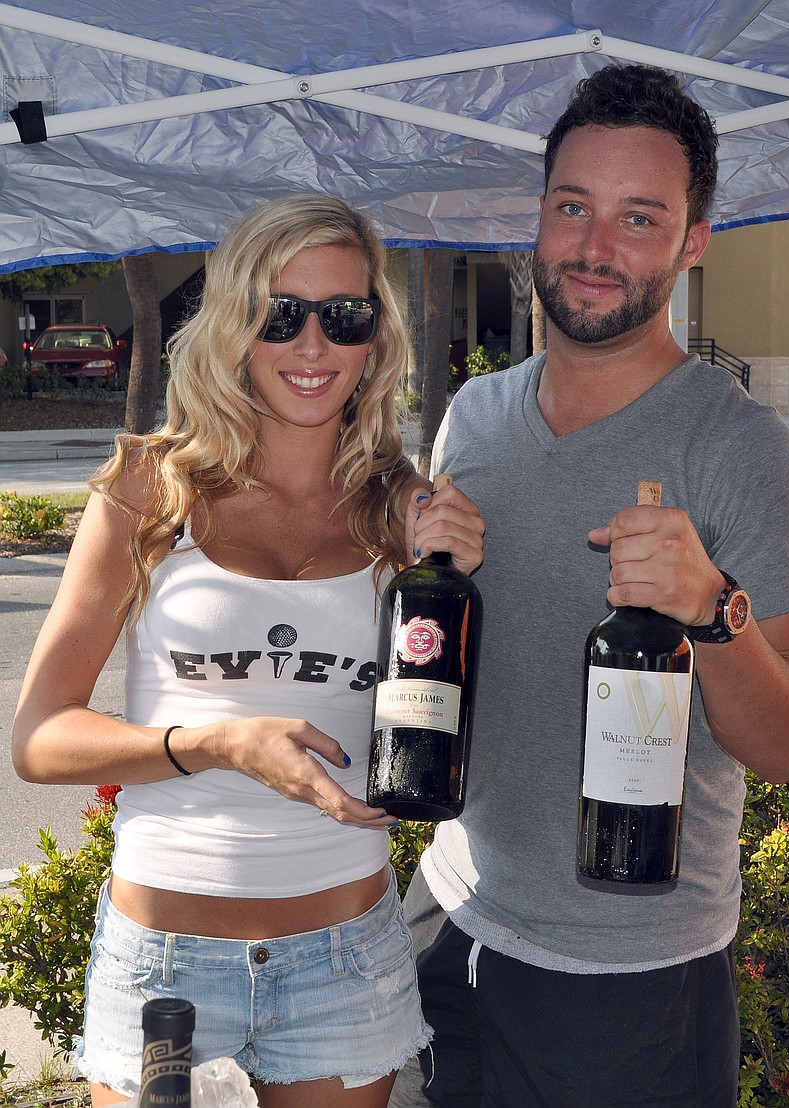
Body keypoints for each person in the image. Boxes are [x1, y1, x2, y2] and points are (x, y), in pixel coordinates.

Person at [389, 64, 789, 1108]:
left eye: (640, 218)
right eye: (573, 208)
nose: (595, 249)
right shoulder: (474, 417)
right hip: (446, 916)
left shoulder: (746, 453)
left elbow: (788, 745)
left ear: (692, 241)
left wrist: (712, 608)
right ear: (539, 216)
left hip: (628, 981)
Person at [12, 193, 485, 1108]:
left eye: (343, 317)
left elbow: (446, 730)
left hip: (346, 961)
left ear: (375, 339)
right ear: (235, 324)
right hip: (164, 967)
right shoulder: (152, 488)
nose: (313, 347)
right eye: (281, 314)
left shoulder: (408, 516)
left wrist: (459, 588)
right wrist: (216, 744)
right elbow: (38, 739)